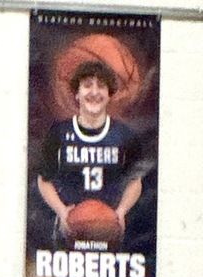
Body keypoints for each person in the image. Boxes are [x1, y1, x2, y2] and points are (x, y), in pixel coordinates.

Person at [36, 60, 145, 247]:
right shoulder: (59, 133)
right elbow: (44, 180)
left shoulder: (123, 135)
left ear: (110, 95)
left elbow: (135, 181)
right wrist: (62, 211)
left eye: (101, 86)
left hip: (109, 229)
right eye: (87, 86)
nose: (94, 92)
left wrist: (121, 211)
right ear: (77, 94)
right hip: (68, 231)